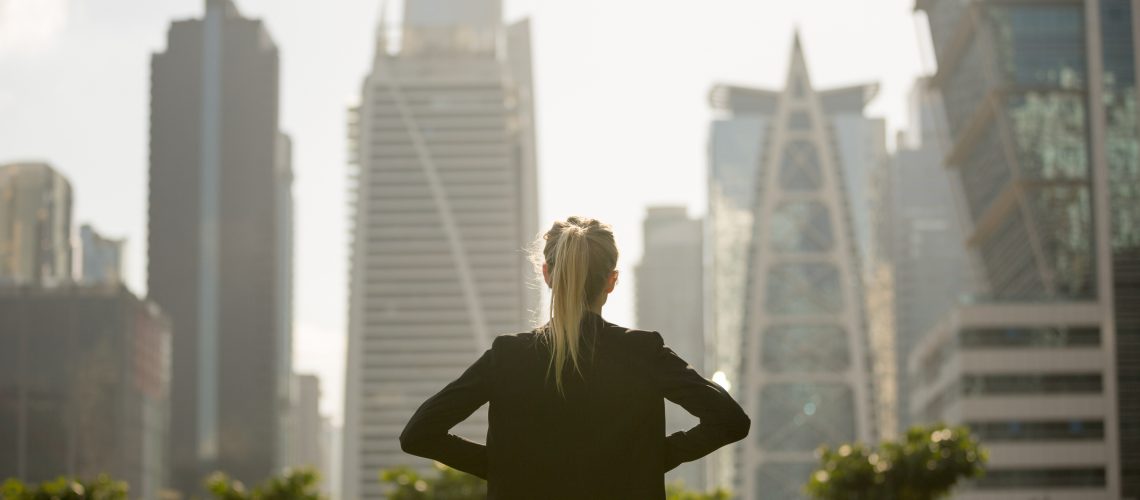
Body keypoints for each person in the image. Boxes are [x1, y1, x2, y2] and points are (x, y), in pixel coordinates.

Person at [400, 216, 750, 499]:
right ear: (611, 281)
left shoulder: (508, 357)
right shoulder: (642, 352)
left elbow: (418, 434)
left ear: (547, 274)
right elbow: (730, 421)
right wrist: (652, 460)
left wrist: (504, 467)